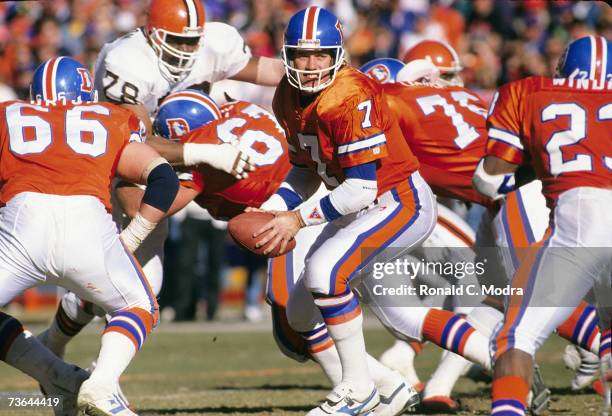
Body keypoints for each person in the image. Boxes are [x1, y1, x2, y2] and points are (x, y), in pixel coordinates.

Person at [40, 0, 287, 354]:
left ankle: (63, 349)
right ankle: (87, 367)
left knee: (129, 285)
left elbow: (271, 72)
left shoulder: (214, 42)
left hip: (180, 162)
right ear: (154, 35)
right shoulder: (126, 61)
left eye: (193, 42)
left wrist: (317, 75)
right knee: (139, 282)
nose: (188, 50)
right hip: (119, 164)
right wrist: (205, 154)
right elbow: (136, 143)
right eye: (179, 41)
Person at [252, 7, 437, 415]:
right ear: (288, 55)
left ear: (339, 54)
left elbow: (361, 187)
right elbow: (305, 171)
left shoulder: (348, 95)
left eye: (321, 55)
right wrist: (270, 209)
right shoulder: (287, 95)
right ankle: (388, 389)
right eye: (302, 54)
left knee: (324, 273)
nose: (311, 64)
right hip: (356, 205)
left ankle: (357, 389)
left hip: (397, 200)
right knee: (299, 314)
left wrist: (296, 219)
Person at [0, 56, 179, 415]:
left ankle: (54, 374)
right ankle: (100, 384)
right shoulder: (109, 118)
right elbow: (164, 178)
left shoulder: (7, 114)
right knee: (138, 306)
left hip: (22, 221)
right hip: (86, 222)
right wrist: (133, 236)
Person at [472, 35, 611, 416]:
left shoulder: (529, 93)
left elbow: (490, 179)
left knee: (516, 337)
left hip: (582, 215)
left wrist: (530, 168)